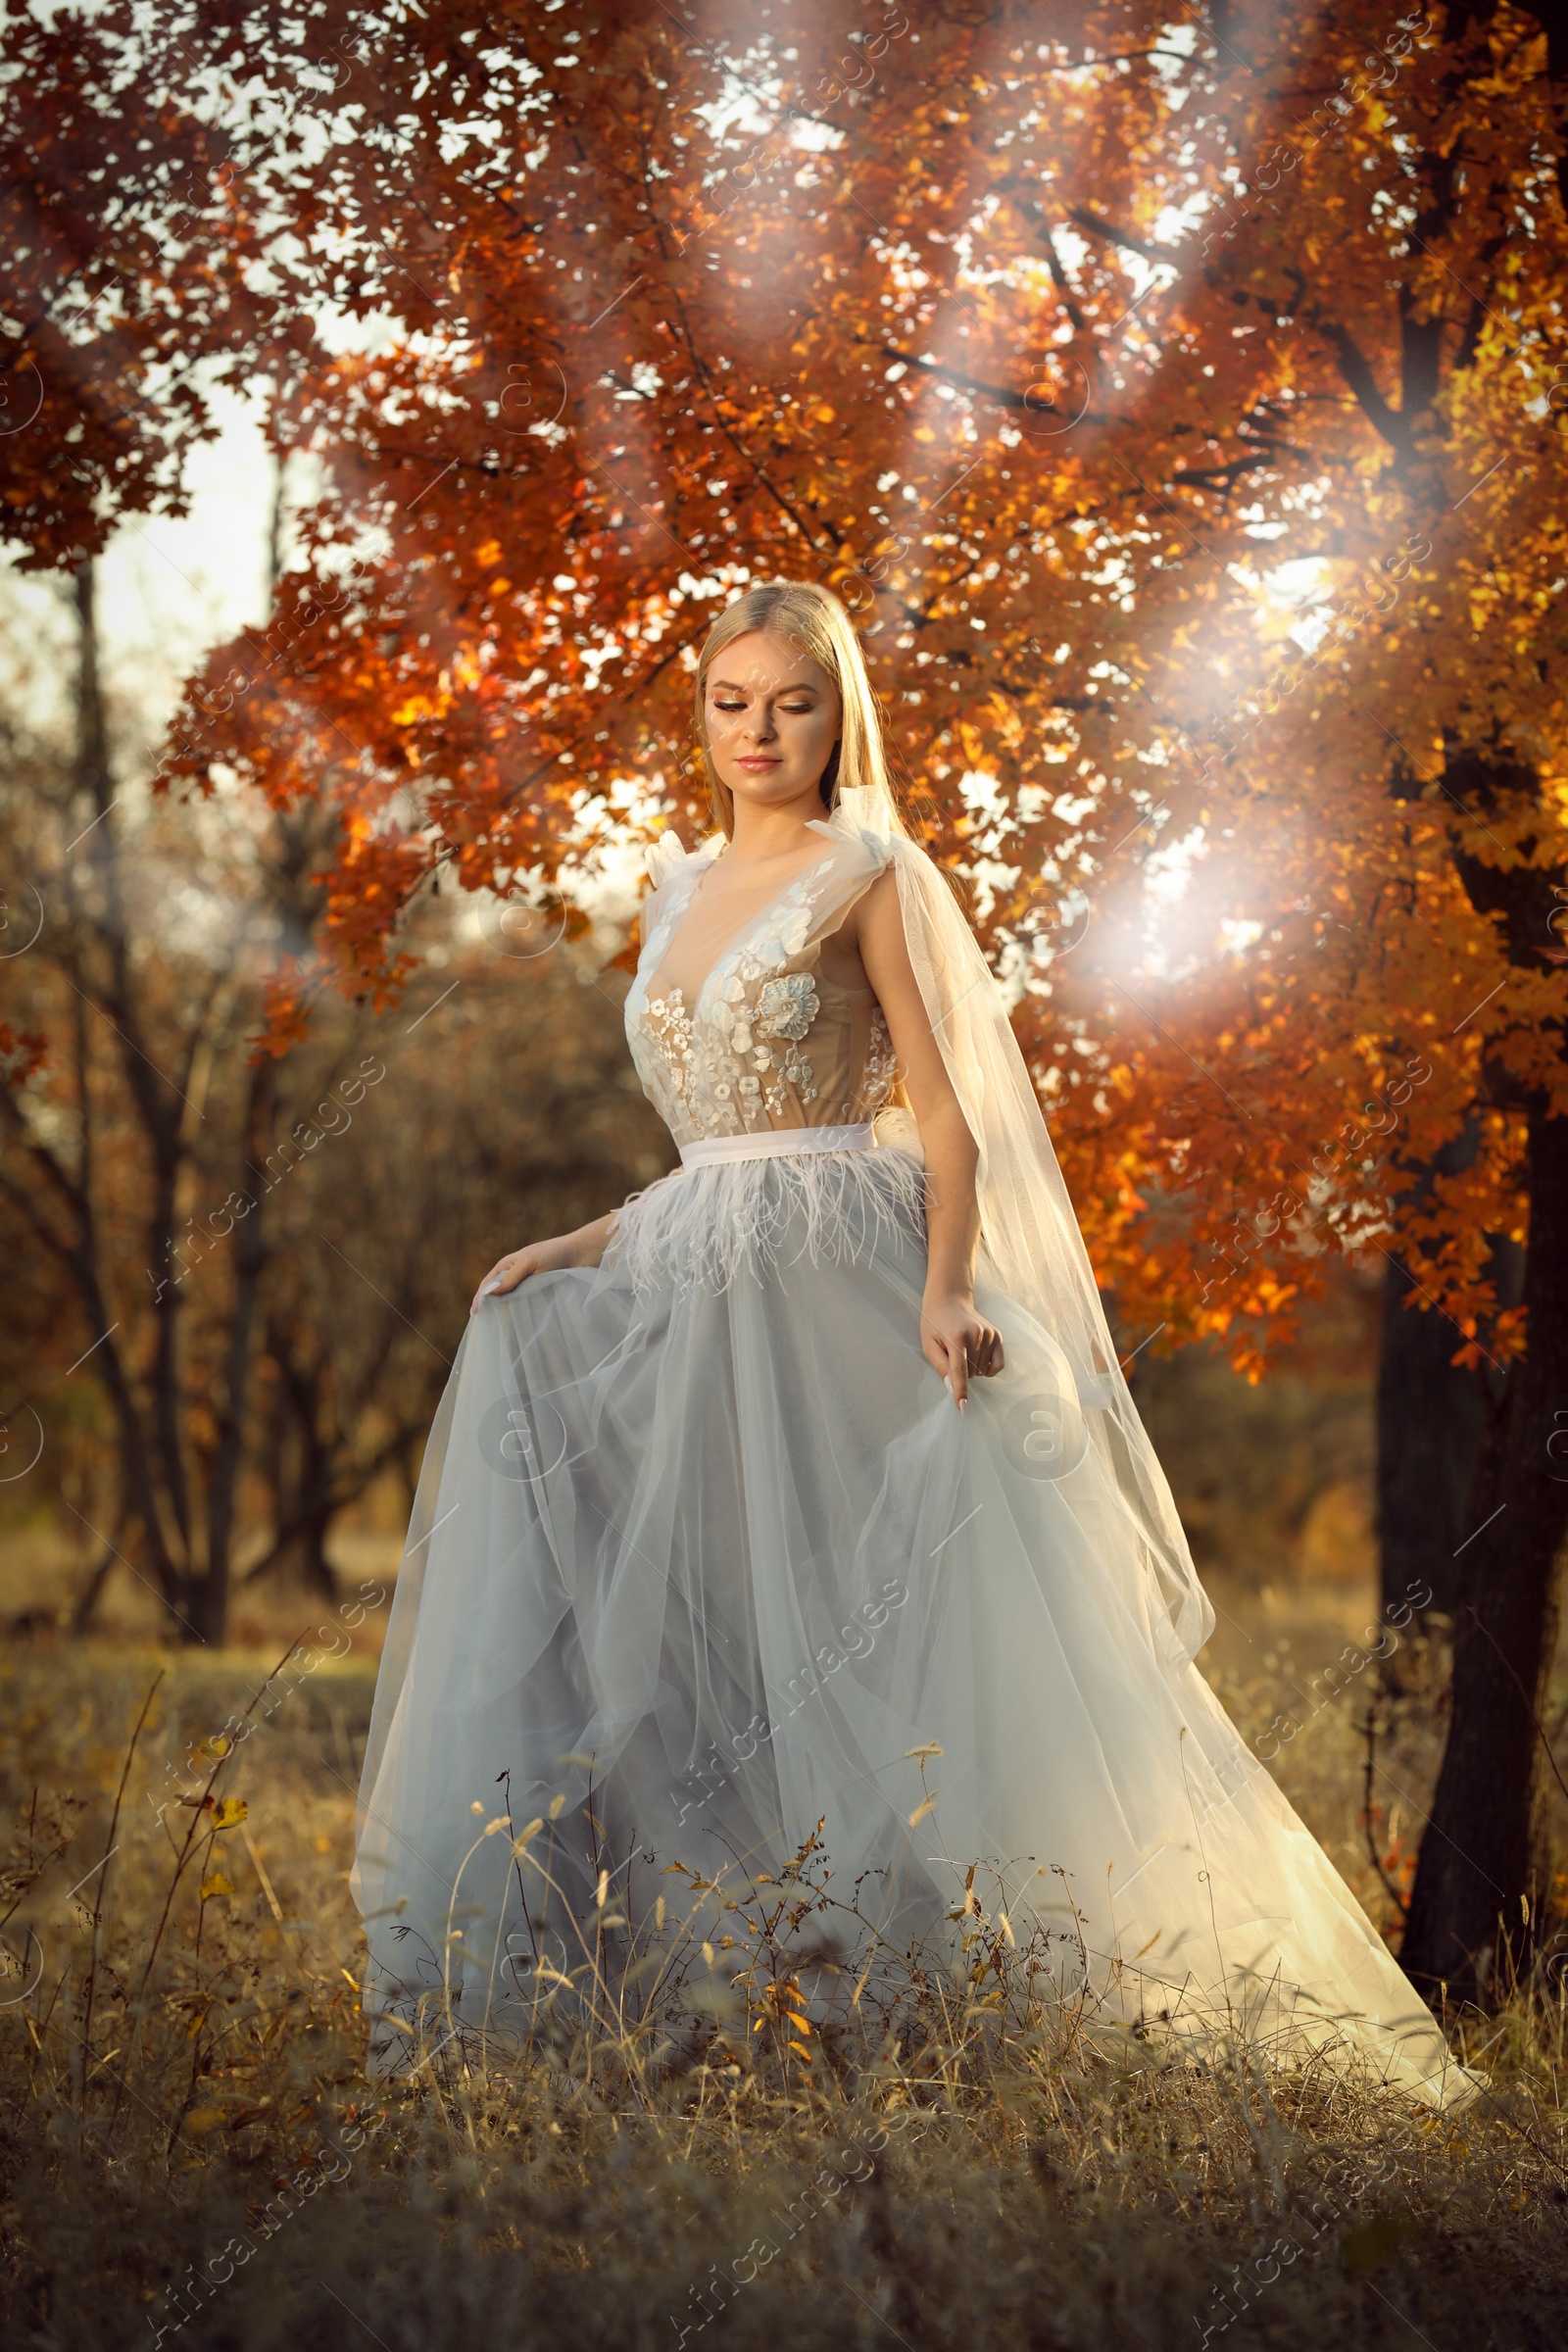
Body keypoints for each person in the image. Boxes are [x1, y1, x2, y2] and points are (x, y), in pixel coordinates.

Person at [351, 580, 1470, 2106]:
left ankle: (974, 2012)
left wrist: (947, 1292)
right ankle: (708, 2001)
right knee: (699, 1639)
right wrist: (571, 1245)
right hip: (696, 1283)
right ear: (702, 714)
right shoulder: (673, 892)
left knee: (869, 1636)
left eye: (792, 705)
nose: (760, 732)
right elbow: (706, 1158)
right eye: (732, 703)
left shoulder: (868, 870)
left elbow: (943, 1117)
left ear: (838, 715)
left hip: (843, 1289)